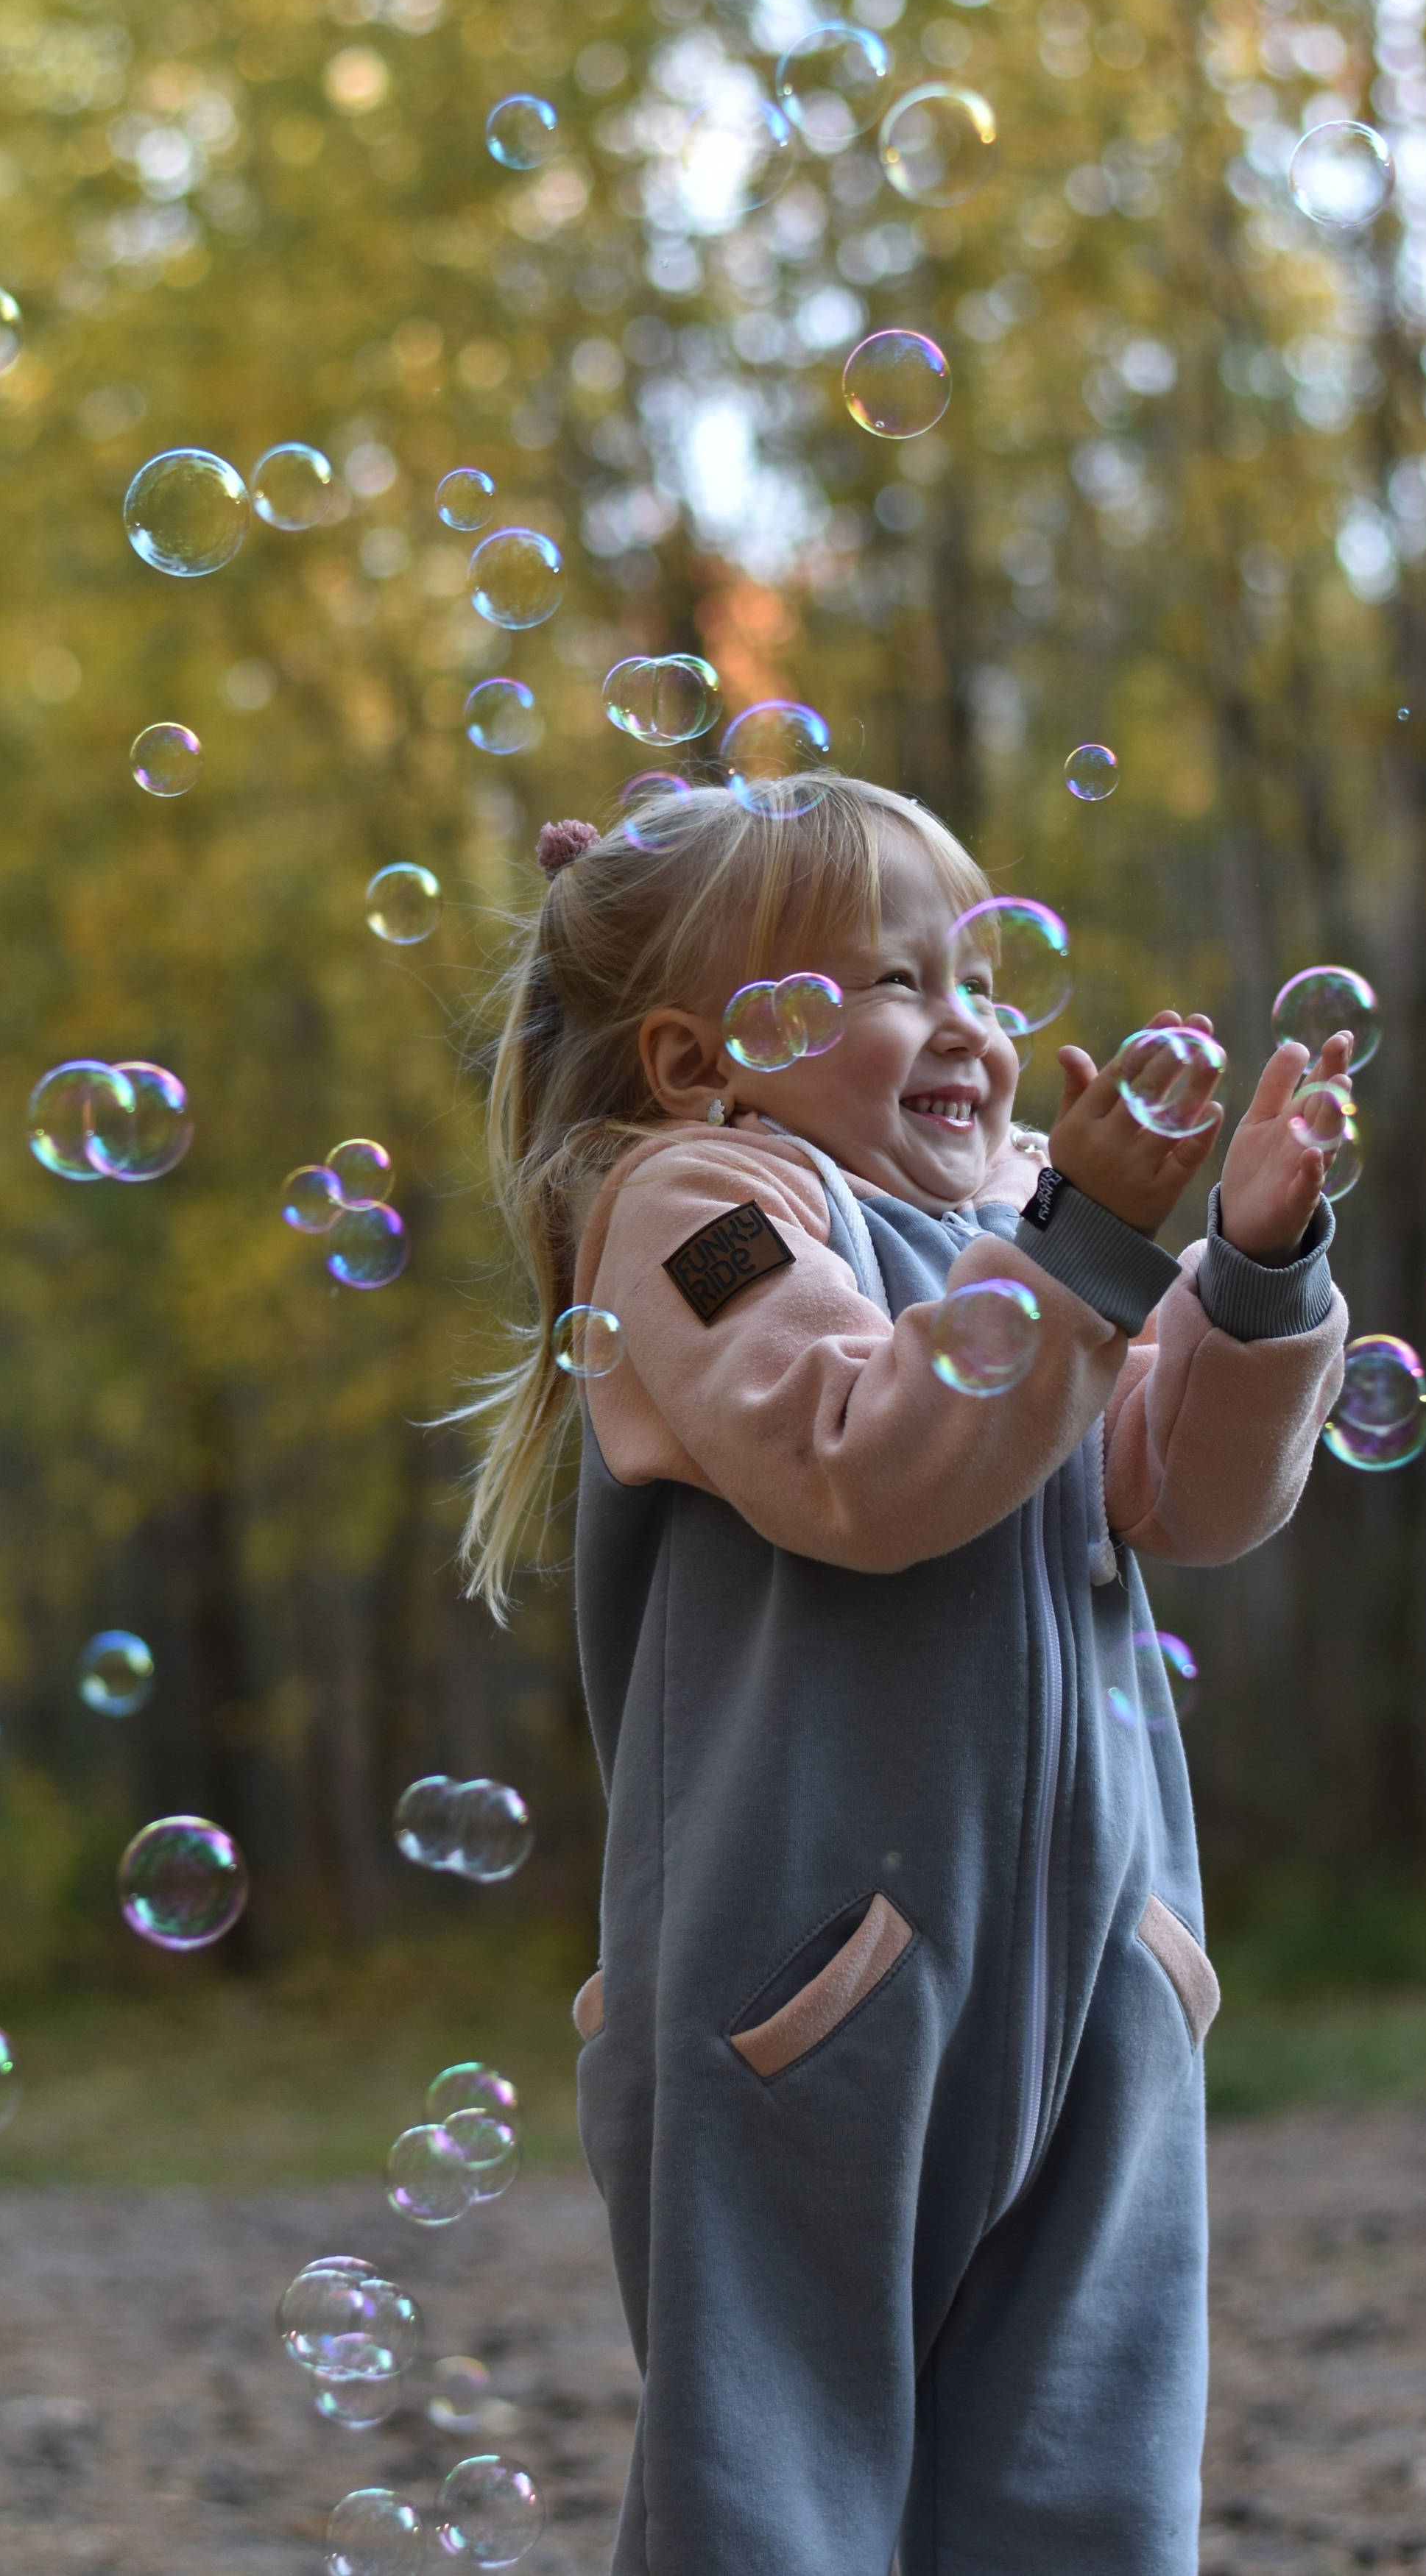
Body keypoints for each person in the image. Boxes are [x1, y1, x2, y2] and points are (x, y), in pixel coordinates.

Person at [462, 772, 1349, 2576]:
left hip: (1100, 1975)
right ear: (703, 1055)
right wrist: (1078, 1256)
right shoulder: (699, 1209)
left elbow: (1186, 1490)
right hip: (806, 1995)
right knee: (779, 2482)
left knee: (1083, 2474)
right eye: (888, 983)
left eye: (979, 977)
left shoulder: (1029, 1230)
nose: (968, 1024)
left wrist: (1251, 1272)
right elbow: (862, 1466)